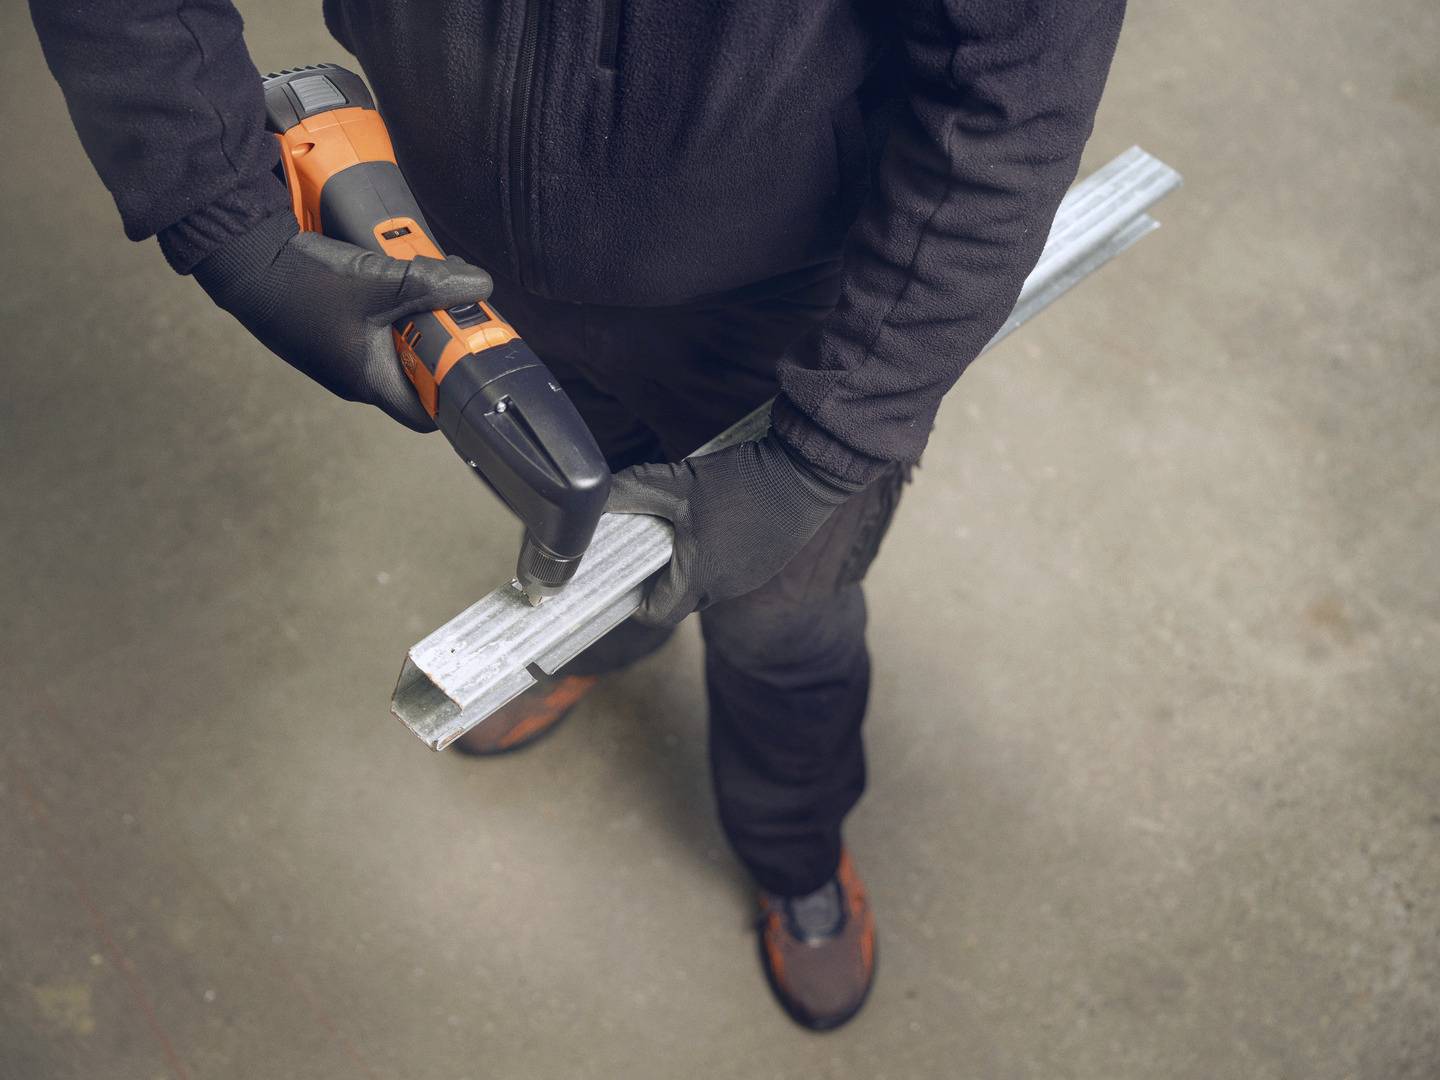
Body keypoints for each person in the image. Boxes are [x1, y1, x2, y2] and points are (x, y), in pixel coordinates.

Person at [30, 0, 1123, 1031]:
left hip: (789, 300)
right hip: (468, 237)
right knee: (582, 502)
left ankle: (795, 853)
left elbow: (1015, 85)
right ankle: (611, 630)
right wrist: (220, 208)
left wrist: (822, 450)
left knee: (782, 617)